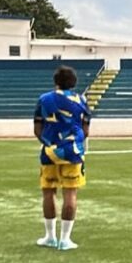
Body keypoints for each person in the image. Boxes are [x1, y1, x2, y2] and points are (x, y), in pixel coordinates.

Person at [34, 65, 92, 251]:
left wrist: (50, 144)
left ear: (55, 81)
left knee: (48, 192)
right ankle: (65, 239)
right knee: (70, 194)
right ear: (73, 83)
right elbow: (86, 130)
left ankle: (50, 237)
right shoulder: (82, 100)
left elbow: (37, 128)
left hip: (49, 152)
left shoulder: (44, 100)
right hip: (73, 152)